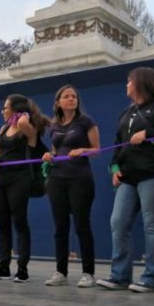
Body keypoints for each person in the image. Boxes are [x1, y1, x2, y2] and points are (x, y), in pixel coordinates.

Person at [96, 67, 154, 293]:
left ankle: (152, 278)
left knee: (152, 224)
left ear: (141, 82)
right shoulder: (126, 113)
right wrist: (115, 167)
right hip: (129, 176)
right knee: (118, 222)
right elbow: (119, 143)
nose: (126, 85)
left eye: (129, 81)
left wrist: (148, 134)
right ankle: (120, 275)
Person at [0, 94, 48, 283]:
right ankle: (4, 266)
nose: (3, 111)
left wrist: (24, 116)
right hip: (1, 178)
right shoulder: (3, 128)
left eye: (5, 107)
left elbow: (27, 131)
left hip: (20, 178)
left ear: (15, 109)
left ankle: (22, 269)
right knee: (3, 223)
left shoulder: (26, 127)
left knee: (19, 221)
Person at [42, 85, 101, 288]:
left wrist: (84, 149)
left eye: (74, 96)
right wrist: (49, 156)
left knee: (82, 226)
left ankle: (88, 273)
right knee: (60, 227)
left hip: (80, 179)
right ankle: (61, 272)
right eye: (66, 96)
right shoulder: (54, 125)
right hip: (57, 179)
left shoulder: (86, 122)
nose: (71, 99)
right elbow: (56, 149)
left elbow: (96, 150)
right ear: (58, 102)